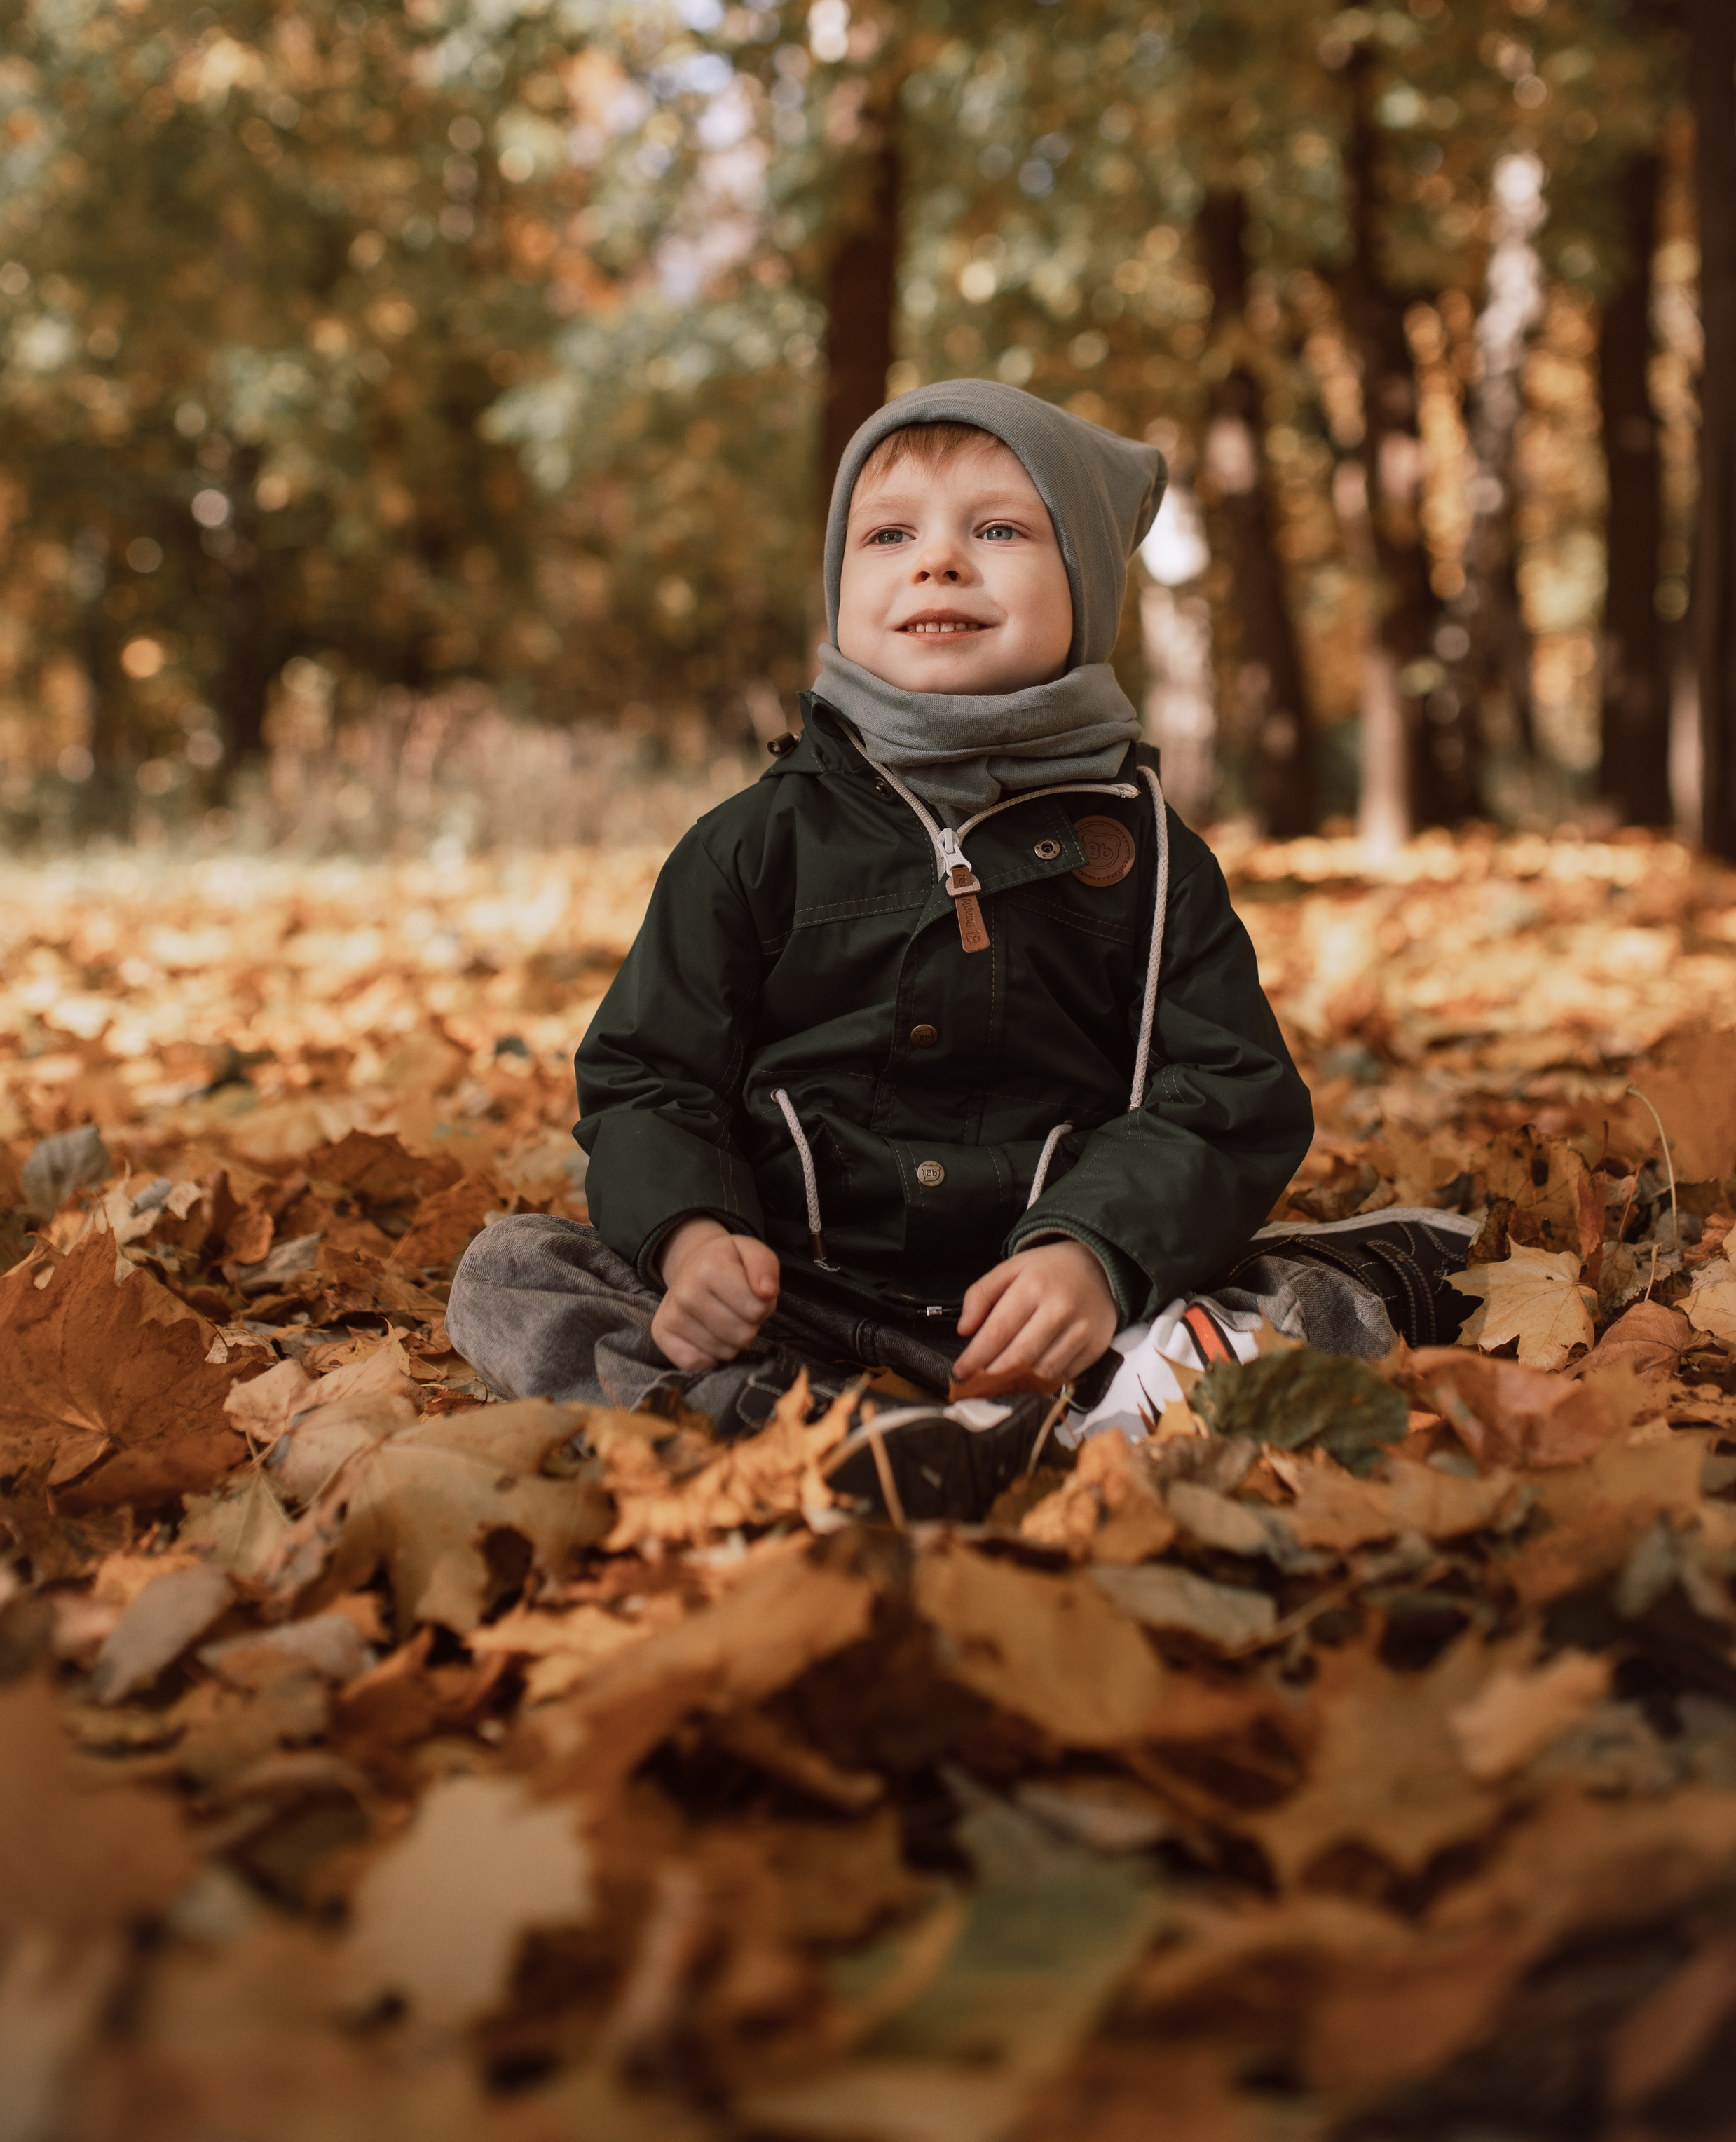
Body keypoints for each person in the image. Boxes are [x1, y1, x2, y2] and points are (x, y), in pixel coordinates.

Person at [448, 383, 1472, 1511]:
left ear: (1085, 586)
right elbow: (651, 1075)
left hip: (1053, 1313)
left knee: (1291, 1306)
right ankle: (782, 1427)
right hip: (793, 1296)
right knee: (512, 1272)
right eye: (889, 536)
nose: (937, 562)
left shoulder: (1147, 856)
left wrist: (1093, 1251)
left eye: (998, 530)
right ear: (842, 589)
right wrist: (694, 1239)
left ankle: (1090, 1416)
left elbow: (1230, 1089)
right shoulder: (753, 843)